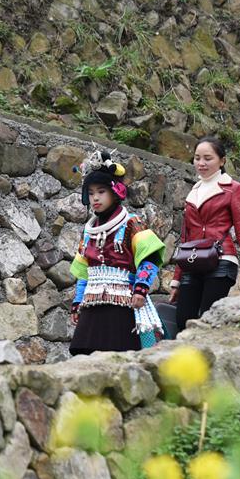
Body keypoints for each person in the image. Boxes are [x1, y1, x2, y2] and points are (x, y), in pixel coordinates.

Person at [69, 149, 167, 353]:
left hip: (124, 302)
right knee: (84, 351)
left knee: (119, 351)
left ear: (115, 191)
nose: (95, 198)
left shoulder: (132, 223)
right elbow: (84, 271)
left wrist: (141, 288)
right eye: (91, 193)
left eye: (101, 192)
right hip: (92, 301)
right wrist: (78, 300)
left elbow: (148, 258)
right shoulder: (89, 231)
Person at [169, 137, 240, 333]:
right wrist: (177, 279)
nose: (201, 163)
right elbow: (186, 239)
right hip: (193, 261)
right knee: (182, 321)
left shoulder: (233, 189)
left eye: (207, 158)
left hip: (221, 260)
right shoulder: (193, 192)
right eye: (197, 158)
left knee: (208, 321)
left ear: (222, 161)